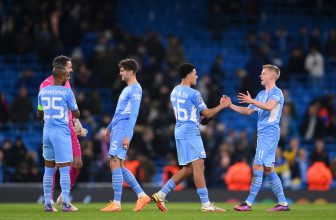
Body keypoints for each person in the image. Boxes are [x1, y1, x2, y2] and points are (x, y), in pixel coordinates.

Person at [152, 63, 231, 212]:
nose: (197, 76)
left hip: (180, 130)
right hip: (190, 131)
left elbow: (194, 114)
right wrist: (223, 105)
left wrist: (201, 117)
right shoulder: (194, 93)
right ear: (188, 75)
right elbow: (206, 113)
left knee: (188, 169)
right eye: (194, 73)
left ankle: (161, 194)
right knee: (199, 166)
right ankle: (206, 205)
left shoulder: (174, 91)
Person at [229, 64, 290, 211]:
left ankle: (248, 203)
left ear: (272, 76)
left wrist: (252, 101)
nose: (260, 76)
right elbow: (248, 111)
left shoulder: (277, 92)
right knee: (268, 169)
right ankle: (283, 203)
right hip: (263, 134)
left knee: (257, 166)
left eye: (263, 73)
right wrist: (230, 105)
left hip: (269, 133)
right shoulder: (261, 94)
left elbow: (269, 107)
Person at [101, 59, 150, 212]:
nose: (120, 73)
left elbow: (133, 114)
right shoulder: (126, 89)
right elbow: (119, 112)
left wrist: (127, 135)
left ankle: (116, 203)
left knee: (114, 162)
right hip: (117, 127)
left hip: (123, 129)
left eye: (122, 70)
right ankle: (142, 196)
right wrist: (109, 128)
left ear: (130, 71)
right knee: (120, 165)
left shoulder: (135, 89)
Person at [39, 55, 86, 210]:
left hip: (48, 131)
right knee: (64, 167)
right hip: (62, 131)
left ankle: (47, 203)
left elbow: (40, 114)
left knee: (49, 167)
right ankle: (65, 202)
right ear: (61, 73)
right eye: (69, 68)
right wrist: (75, 118)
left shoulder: (43, 90)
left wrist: (76, 124)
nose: (71, 71)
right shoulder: (66, 90)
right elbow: (76, 111)